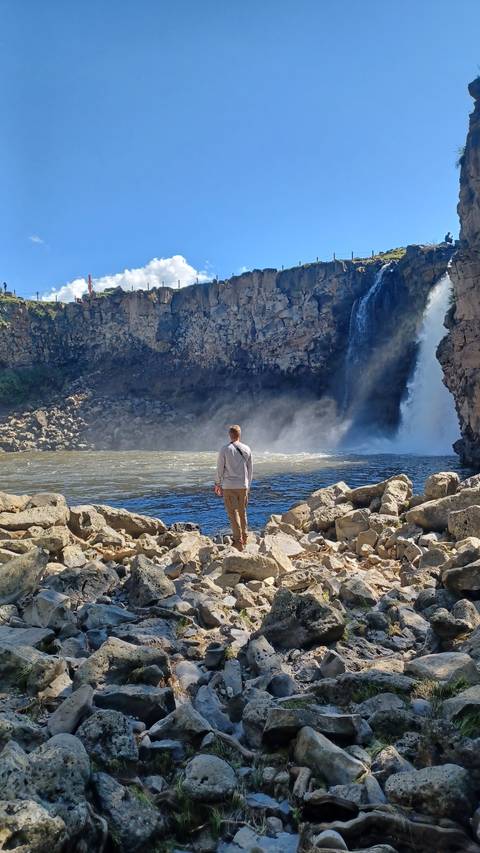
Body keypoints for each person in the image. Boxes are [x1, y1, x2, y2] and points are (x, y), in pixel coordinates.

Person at [215, 424, 253, 551]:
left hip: (228, 486)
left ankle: (238, 541)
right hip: (243, 486)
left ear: (229, 435)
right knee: (243, 512)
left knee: (232, 513)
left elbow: (220, 468)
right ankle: (245, 537)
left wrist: (217, 483)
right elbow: (250, 470)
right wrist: (248, 485)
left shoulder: (224, 449)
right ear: (239, 434)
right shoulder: (247, 449)